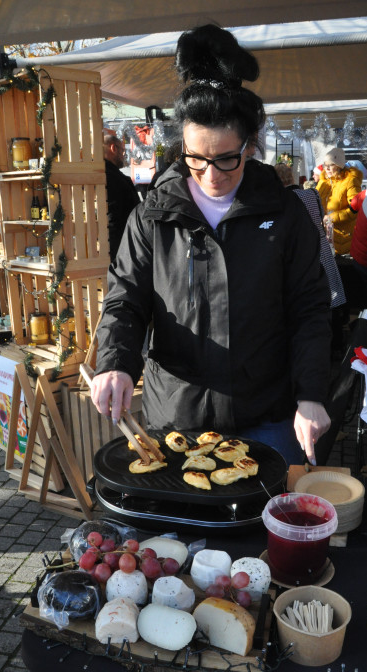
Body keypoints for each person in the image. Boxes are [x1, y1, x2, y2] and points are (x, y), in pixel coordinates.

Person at [91, 24, 332, 466]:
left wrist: (312, 394)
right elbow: (125, 298)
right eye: (196, 158)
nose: (211, 174)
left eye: (226, 159)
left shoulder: (285, 212)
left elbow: (310, 309)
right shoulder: (153, 213)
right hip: (177, 417)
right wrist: (115, 362)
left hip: (266, 414)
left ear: (251, 145)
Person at [274, 162, 346, 310]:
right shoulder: (312, 194)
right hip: (321, 245)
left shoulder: (284, 200)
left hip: (304, 250)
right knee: (332, 286)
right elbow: (320, 217)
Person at [316, 148, 362, 256]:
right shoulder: (323, 181)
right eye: (325, 164)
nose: (326, 168)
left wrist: (332, 217)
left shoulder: (350, 181)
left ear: (339, 166)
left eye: (330, 165)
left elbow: (355, 209)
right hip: (325, 237)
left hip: (344, 239)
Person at [103, 132, 140, 262]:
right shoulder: (111, 177)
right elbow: (113, 215)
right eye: (123, 150)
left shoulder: (105, 174)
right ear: (113, 148)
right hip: (119, 246)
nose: (124, 155)